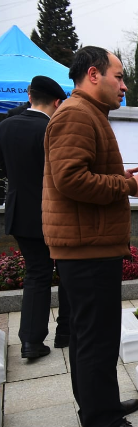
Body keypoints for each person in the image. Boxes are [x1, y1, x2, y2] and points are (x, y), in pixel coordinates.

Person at [43, 46, 138, 427]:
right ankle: (102, 424)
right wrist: (127, 186)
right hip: (87, 247)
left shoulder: (85, 113)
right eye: (119, 76)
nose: (124, 85)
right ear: (94, 74)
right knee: (95, 337)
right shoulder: (76, 114)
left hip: (89, 243)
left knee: (96, 334)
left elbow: (79, 172)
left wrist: (116, 175)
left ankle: (101, 405)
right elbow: (70, 179)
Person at [0, 76, 71, 359]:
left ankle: (30, 341)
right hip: (55, 211)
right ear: (56, 102)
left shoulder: (4, 127)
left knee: (36, 274)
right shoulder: (53, 128)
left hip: (20, 211)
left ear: (30, 97)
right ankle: (65, 332)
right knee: (66, 273)